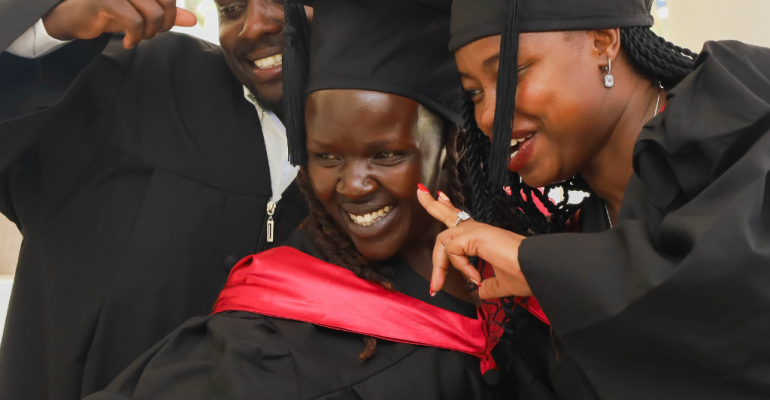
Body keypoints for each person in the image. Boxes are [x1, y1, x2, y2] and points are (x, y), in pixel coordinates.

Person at [80, 1, 517, 398]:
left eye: (386, 154)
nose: (354, 185)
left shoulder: (524, 255)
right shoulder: (268, 345)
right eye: (326, 156)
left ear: (451, 148)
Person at [418, 0, 770, 399]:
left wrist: (540, 265)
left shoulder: (740, 105)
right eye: (475, 93)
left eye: (512, 72)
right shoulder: (575, 234)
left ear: (603, 42)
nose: (487, 117)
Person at [0, 1, 310, 398]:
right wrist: (51, 27)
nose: (250, 28)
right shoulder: (128, 82)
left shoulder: (393, 164)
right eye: (231, 7)